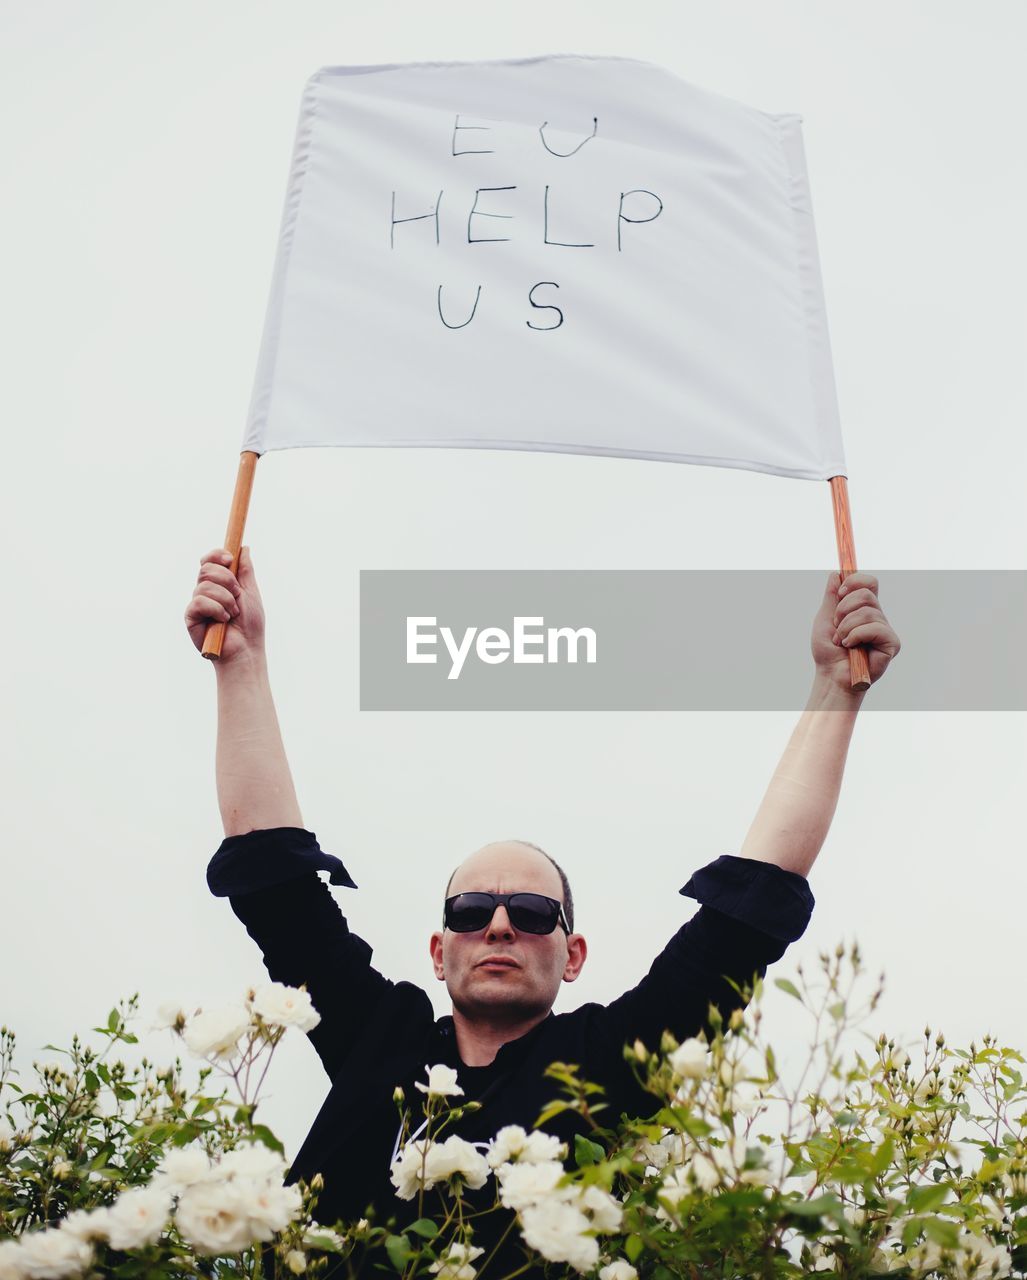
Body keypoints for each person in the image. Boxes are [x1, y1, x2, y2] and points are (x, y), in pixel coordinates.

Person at [185, 547, 900, 1238]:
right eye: (471, 911)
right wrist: (240, 664)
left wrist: (835, 686)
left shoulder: (610, 1062)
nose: (498, 926)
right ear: (439, 951)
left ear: (573, 952)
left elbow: (748, 911)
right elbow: (278, 887)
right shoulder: (379, 1039)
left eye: (530, 913)